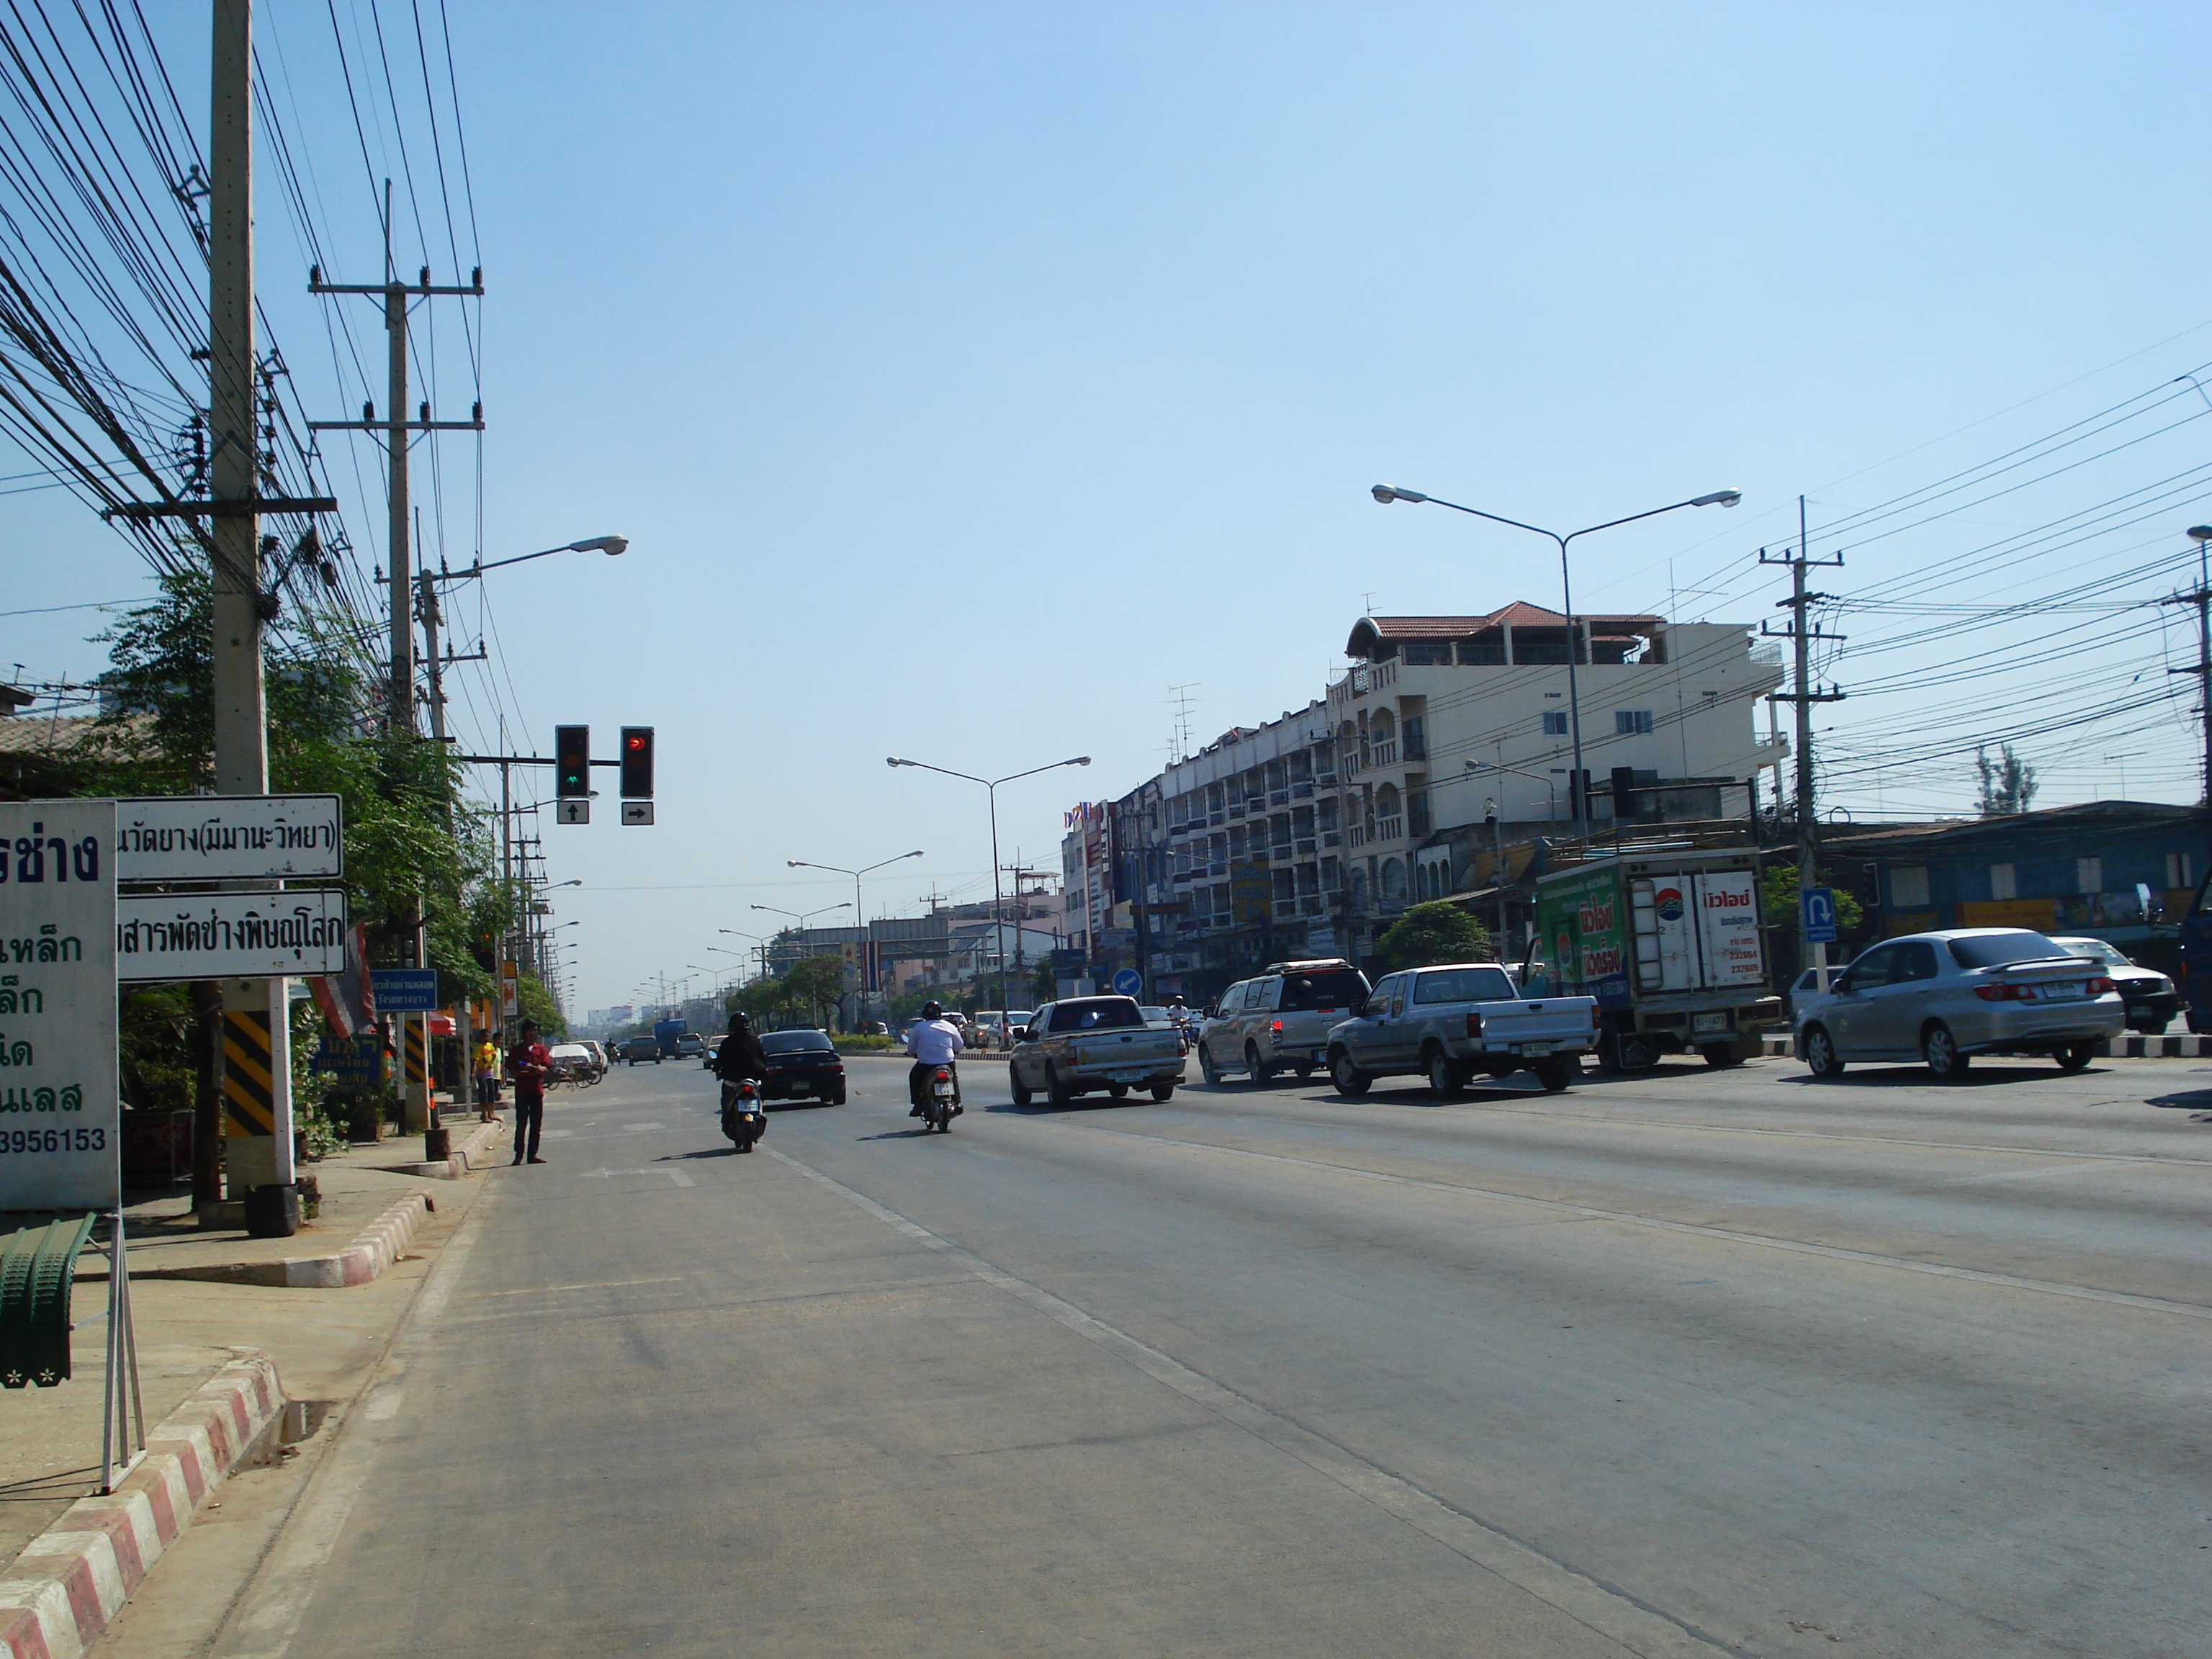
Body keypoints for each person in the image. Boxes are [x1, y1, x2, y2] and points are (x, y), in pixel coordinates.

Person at [904, 1001, 964, 1116]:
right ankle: (958, 1103)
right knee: (953, 1078)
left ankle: (917, 1105)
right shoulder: (949, 1026)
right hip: (948, 1062)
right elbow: (960, 1045)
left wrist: (910, 1053)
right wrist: (954, 1051)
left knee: (914, 1077)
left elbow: (911, 1047)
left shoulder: (919, 1027)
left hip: (926, 1065)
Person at [506, 1019, 552, 1165]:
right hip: (522, 1092)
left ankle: (532, 1154)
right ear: (524, 1032)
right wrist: (526, 1073)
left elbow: (547, 1066)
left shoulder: (541, 1049)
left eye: (535, 1030)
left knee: (536, 1124)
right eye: (531, 1030)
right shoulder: (517, 1051)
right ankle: (518, 1155)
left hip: (536, 1091)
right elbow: (513, 1071)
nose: (533, 1033)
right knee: (521, 1124)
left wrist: (541, 1069)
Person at [474, 1035, 500, 1123]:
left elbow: (493, 1055)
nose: (486, 1038)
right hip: (481, 1073)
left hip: (490, 1073)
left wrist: (490, 1061)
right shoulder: (478, 1047)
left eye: (488, 1036)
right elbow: (474, 1060)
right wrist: (473, 1072)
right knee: (483, 1094)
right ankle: (484, 1114)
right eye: (485, 1036)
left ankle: (491, 1113)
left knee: (491, 1094)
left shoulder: (490, 1045)